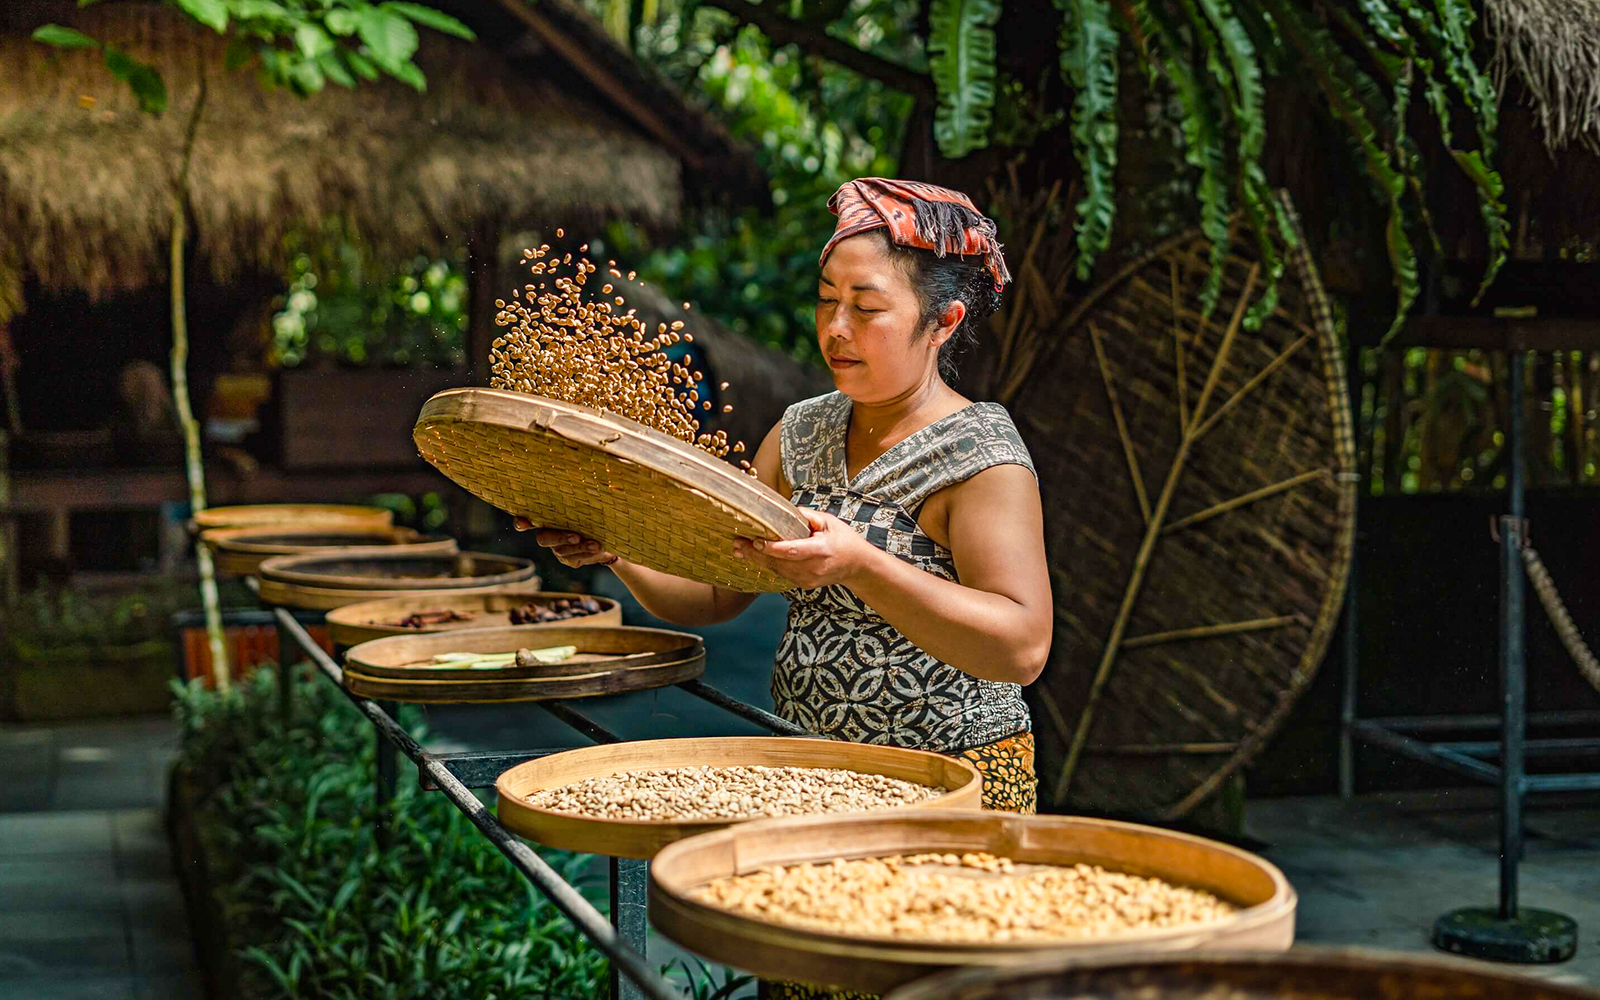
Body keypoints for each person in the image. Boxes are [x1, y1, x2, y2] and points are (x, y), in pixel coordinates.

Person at [519, 178, 1052, 996]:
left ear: (943, 323)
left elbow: (1021, 645)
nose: (836, 329)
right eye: (826, 300)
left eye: (867, 307)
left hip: (951, 788)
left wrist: (864, 564)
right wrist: (615, 547)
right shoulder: (803, 432)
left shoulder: (980, 456)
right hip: (810, 779)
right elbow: (719, 592)